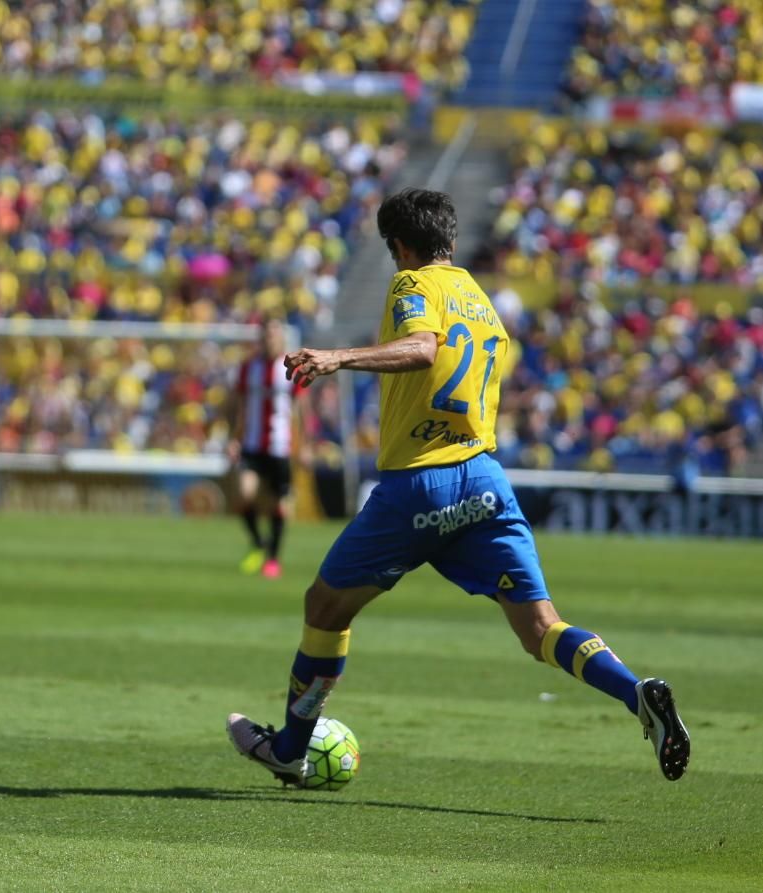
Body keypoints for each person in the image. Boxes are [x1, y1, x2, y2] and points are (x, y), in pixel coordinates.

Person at [227, 188, 689, 785]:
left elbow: (423, 349)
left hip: (421, 480)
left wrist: (338, 357)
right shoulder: (480, 299)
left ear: (400, 246)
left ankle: (290, 748)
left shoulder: (412, 285)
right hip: (485, 480)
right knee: (541, 628)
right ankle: (637, 694)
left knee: (326, 607)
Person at [228, 319, 309, 579]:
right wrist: (233, 437)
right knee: (243, 494)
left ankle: (272, 558)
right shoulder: (248, 367)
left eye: (274, 335)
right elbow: (238, 404)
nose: (270, 340)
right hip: (251, 444)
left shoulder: (291, 368)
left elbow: (302, 408)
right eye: (266, 335)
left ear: (282, 339)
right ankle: (257, 543)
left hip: (280, 447)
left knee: (279, 506)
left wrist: (305, 445)